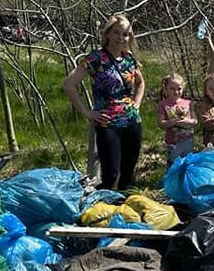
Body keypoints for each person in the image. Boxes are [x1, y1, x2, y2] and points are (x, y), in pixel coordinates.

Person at [63, 14, 145, 190]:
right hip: (108, 124)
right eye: (117, 33)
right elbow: (69, 84)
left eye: (125, 34)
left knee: (128, 174)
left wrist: (136, 104)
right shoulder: (96, 58)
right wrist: (87, 112)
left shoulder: (129, 59)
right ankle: (103, 208)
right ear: (108, 34)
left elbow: (140, 83)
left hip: (132, 122)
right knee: (111, 174)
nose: (121, 38)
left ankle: (125, 208)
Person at [157, 73, 197, 166]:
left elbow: (195, 121)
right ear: (166, 89)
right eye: (172, 89)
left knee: (188, 164)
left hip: (188, 140)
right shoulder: (163, 105)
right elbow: (161, 123)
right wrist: (173, 121)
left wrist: (187, 121)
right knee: (173, 165)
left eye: (179, 89)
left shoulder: (188, 103)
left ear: (183, 89)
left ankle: (185, 180)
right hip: (173, 142)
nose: (176, 92)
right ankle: (172, 180)